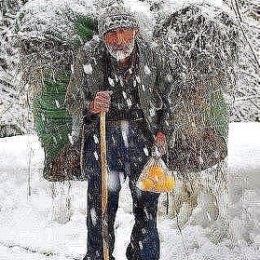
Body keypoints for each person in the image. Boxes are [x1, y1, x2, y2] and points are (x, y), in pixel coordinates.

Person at [66, 2, 171, 260]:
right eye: (112, 34)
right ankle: (98, 255)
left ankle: (143, 256)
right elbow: (71, 100)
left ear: (135, 31)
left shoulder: (153, 55)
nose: (119, 40)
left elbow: (170, 98)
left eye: (124, 32)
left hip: (142, 134)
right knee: (101, 206)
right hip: (103, 135)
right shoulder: (88, 56)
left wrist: (162, 133)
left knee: (147, 205)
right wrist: (90, 105)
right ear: (103, 37)